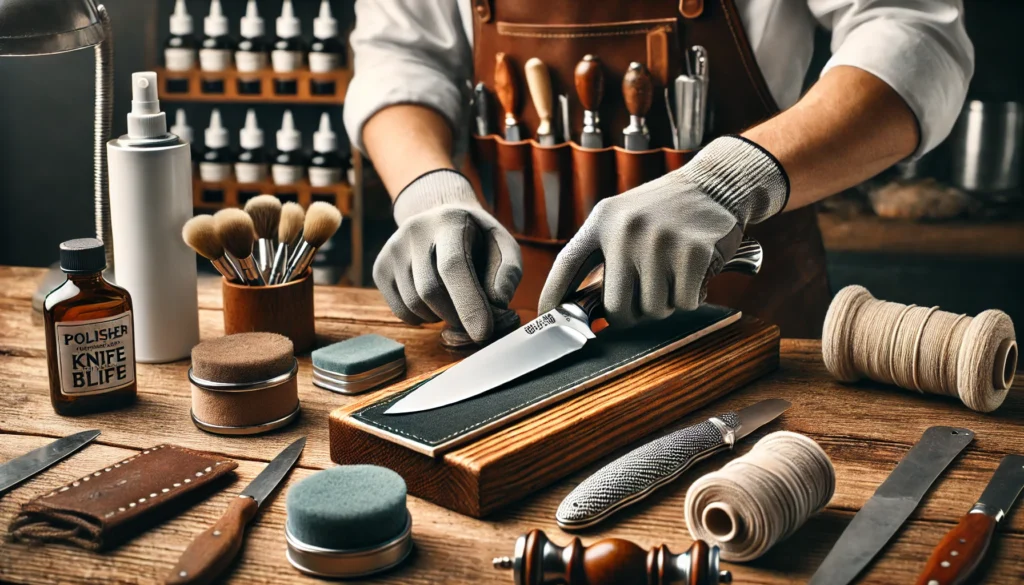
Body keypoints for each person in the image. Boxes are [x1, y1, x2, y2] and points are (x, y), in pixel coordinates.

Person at [344, 0, 974, 343]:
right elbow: (401, 53)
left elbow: (912, 34)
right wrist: (426, 189)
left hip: (745, 324)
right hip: (517, 329)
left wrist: (728, 182)